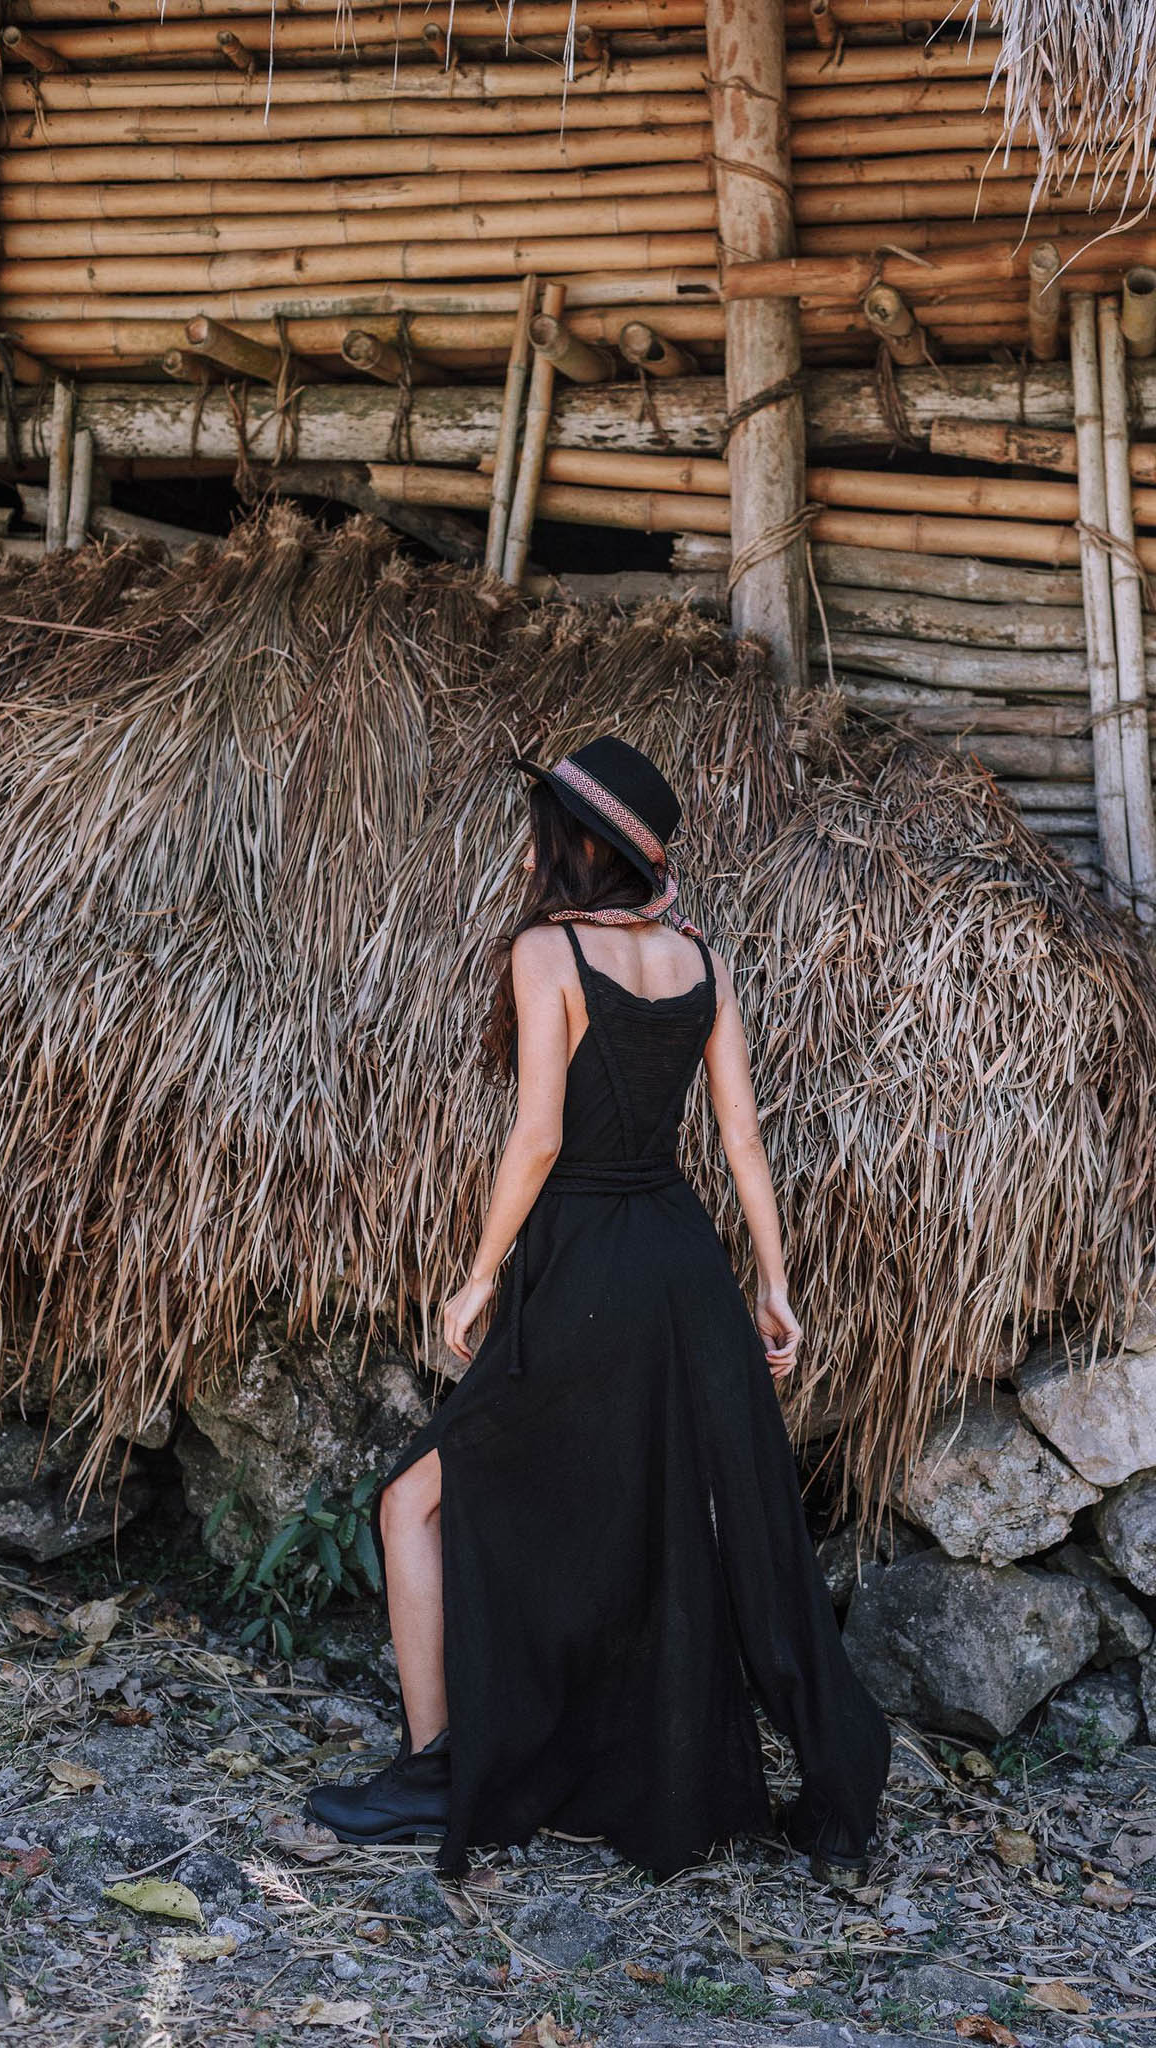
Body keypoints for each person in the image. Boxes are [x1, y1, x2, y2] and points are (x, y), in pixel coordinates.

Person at [305, 735, 892, 1883]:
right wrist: (773, 1284)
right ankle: (558, 1748)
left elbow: (537, 1137)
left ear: (576, 847)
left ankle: (439, 1765)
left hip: (580, 1264)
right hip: (680, 1262)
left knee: (412, 1502)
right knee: (636, 1518)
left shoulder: (546, 952)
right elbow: (740, 1142)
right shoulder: (702, 959)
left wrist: (478, 1272)